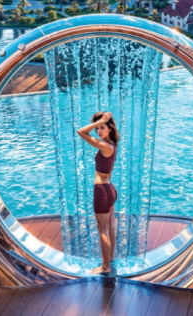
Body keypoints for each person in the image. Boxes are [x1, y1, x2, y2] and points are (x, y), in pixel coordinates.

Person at [77, 111, 119, 274]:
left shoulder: (105, 146)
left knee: (102, 228)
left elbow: (81, 132)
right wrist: (100, 122)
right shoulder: (111, 145)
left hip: (102, 191)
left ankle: (105, 266)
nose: (99, 131)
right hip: (110, 189)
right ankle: (111, 258)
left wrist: (97, 122)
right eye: (97, 129)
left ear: (110, 129)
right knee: (109, 225)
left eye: (102, 128)